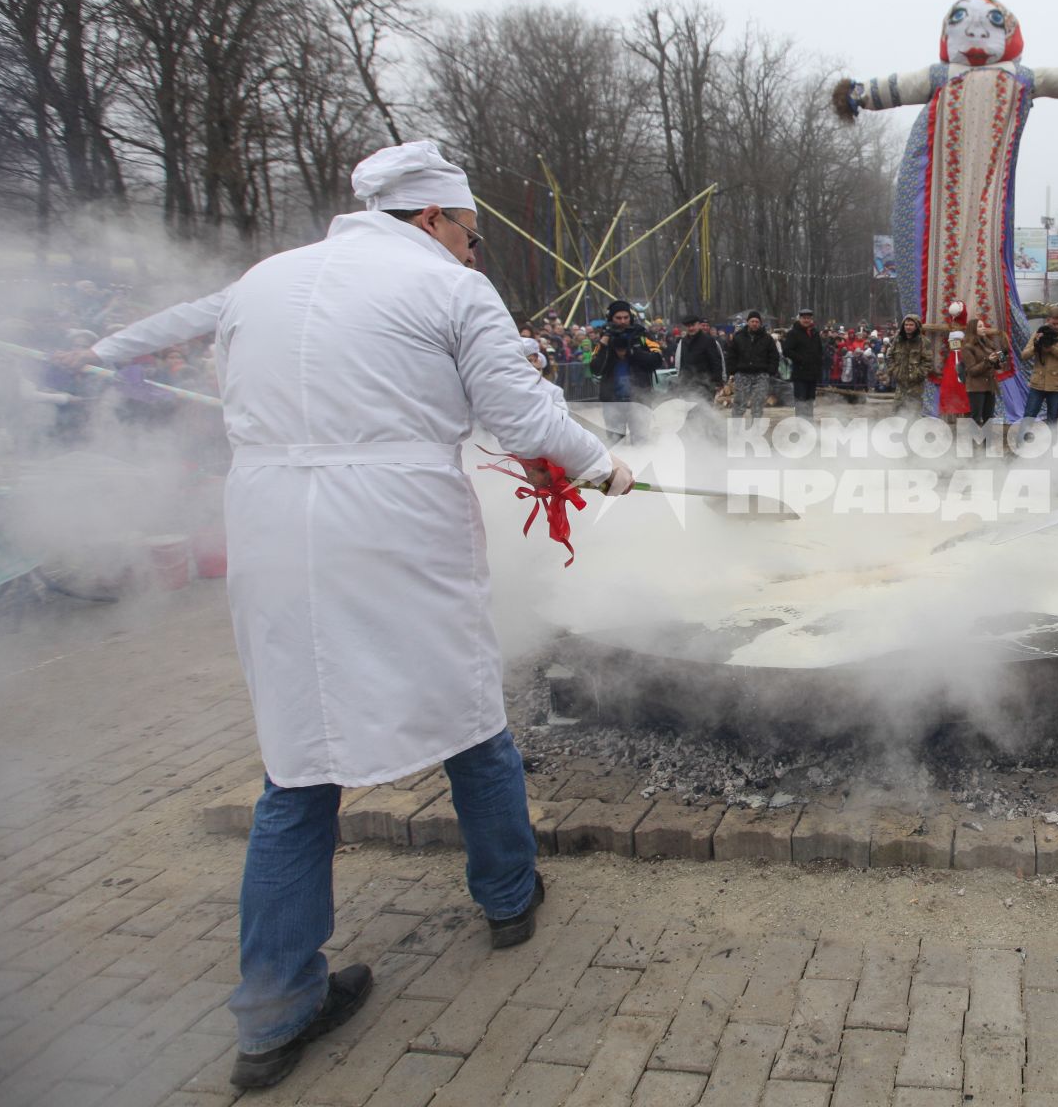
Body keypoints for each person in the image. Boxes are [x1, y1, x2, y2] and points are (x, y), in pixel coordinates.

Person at [62, 141, 633, 1089]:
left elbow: (182, 318)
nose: (473, 251)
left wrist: (96, 352)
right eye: (469, 233)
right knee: (468, 715)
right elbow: (521, 416)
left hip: (274, 525)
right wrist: (599, 462)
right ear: (429, 218)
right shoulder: (448, 289)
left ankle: (275, 1012)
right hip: (397, 523)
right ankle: (506, 896)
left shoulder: (269, 277)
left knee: (299, 759)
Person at [590, 299, 660, 441]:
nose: (622, 321)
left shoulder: (642, 335)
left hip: (639, 399)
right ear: (611, 319)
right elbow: (595, 368)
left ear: (631, 317)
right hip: (612, 400)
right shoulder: (605, 337)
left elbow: (657, 360)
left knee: (641, 443)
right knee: (616, 444)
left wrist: (632, 353)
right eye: (618, 318)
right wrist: (605, 342)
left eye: (626, 317)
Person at [1020, 305, 1058, 424]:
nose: (1056, 326)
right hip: (1038, 382)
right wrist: (1036, 346)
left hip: (1057, 384)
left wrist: (1053, 349)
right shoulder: (1039, 333)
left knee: (1053, 417)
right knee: (1029, 414)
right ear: (1048, 320)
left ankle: (1052, 443)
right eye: (1053, 323)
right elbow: (1024, 355)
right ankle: (1022, 441)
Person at [725, 311, 779, 419]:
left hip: (761, 375)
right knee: (739, 403)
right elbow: (731, 355)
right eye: (752, 321)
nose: (754, 323)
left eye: (757, 321)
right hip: (742, 374)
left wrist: (770, 370)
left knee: (758, 404)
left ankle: (756, 431)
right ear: (747, 322)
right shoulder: (738, 337)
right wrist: (732, 370)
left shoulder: (767, 338)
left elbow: (774, 356)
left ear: (760, 323)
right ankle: (735, 431)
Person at [882, 313, 938, 415]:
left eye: (911, 325)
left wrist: (918, 374)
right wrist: (894, 371)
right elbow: (890, 357)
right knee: (897, 411)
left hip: (916, 384)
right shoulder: (897, 340)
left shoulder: (924, 342)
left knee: (913, 412)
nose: (908, 327)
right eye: (906, 324)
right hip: (900, 383)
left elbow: (928, 362)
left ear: (917, 326)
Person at [959, 318, 1005, 426]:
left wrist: (1000, 359)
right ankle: (971, 442)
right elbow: (972, 371)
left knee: (989, 418)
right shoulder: (967, 348)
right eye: (980, 326)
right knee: (976, 418)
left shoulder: (989, 344)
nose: (983, 328)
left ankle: (987, 442)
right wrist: (988, 361)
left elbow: (997, 365)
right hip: (976, 387)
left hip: (990, 385)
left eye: (983, 325)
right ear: (973, 329)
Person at [785, 308, 825, 420]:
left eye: (808, 318)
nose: (806, 320)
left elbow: (819, 351)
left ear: (811, 319)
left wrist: (819, 366)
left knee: (810, 401)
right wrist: (801, 359)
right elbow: (786, 350)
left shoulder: (815, 333)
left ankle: (809, 425)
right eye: (804, 318)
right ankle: (801, 424)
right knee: (800, 400)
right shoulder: (793, 333)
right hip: (800, 373)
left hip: (812, 373)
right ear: (800, 319)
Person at [673, 316, 726, 401]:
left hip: (706, 384)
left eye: (693, 325)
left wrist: (718, 382)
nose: (691, 328)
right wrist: (681, 382)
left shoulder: (708, 340)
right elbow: (682, 362)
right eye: (688, 326)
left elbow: (716, 362)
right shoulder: (683, 342)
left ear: (698, 325)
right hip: (688, 384)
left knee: (705, 411)